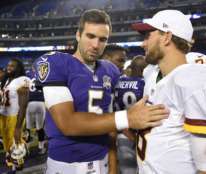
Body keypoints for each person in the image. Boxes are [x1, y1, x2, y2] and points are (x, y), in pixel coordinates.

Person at [34, 9, 169, 174]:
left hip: (102, 162)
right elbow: (67, 124)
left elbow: (109, 124)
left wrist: (113, 166)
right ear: (78, 35)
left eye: (102, 39)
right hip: (66, 165)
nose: (96, 45)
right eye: (90, 36)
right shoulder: (56, 63)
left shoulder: (110, 70)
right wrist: (128, 118)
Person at [132, 9, 206, 174]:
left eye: (147, 36)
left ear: (166, 37)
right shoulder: (153, 75)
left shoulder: (197, 79)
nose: (142, 43)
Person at [114, 55, 147, 174]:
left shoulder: (119, 81)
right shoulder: (145, 83)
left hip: (121, 130)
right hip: (139, 132)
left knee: (126, 169)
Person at [0, 58, 30, 171]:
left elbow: (23, 105)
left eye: (12, 66)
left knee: (15, 144)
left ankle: (19, 161)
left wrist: (18, 127)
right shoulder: (6, 80)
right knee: (7, 143)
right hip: (3, 115)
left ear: (18, 68)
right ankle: (12, 161)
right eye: (8, 65)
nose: (9, 67)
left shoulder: (21, 80)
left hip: (14, 116)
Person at [25, 66, 47, 154]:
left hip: (29, 103)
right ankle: (41, 147)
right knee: (40, 127)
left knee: (28, 128)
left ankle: (26, 148)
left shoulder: (26, 75)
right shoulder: (43, 75)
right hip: (40, 103)